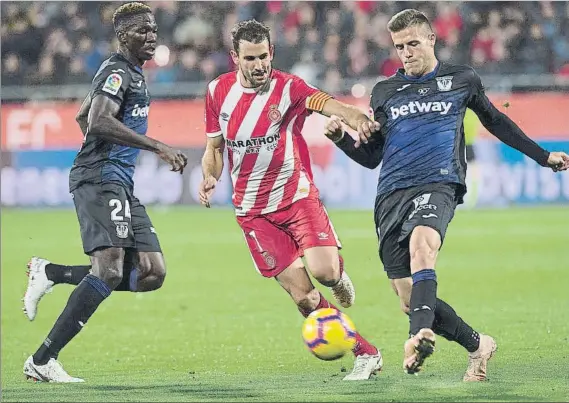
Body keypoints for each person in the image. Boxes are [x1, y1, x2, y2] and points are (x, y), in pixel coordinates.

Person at [323, 9, 569, 381]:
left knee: (424, 246)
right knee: (409, 299)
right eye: (399, 47)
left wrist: (543, 156)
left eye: (413, 44)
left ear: (432, 39)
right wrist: (341, 138)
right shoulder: (385, 92)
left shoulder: (461, 79)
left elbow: (496, 121)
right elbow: (372, 158)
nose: (406, 53)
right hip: (391, 195)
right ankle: (477, 344)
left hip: (439, 183)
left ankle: (417, 337)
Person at [198, 19, 383, 381]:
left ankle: (338, 274)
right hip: (253, 213)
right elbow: (214, 147)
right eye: (250, 58)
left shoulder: (288, 88)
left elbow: (328, 104)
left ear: (272, 54)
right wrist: (210, 175)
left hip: (296, 197)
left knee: (325, 272)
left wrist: (355, 117)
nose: (259, 65)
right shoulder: (217, 92)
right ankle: (367, 354)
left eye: (264, 56)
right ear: (235, 57)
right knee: (304, 299)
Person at [22, 2, 188, 383]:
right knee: (110, 270)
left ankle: (50, 272)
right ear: (122, 35)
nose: (151, 36)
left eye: (153, 30)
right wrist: (156, 146)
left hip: (119, 182)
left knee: (151, 272)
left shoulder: (133, 72)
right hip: (100, 179)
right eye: (142, 31)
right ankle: (42, 360)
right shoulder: (116, 71)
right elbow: (97, 120)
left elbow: (84, 117)